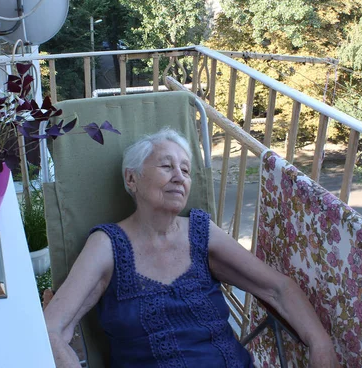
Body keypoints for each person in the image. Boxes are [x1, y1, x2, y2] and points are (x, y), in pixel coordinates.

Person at [44, 128, 339, 367]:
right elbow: (52, 329)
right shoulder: (107, 245)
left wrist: (320, 344)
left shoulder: (201, 232)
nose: (179, 177)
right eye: (166, 166)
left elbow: (278, 288)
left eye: (185, 170)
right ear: (131, 178)